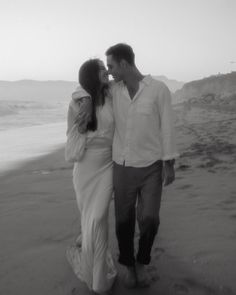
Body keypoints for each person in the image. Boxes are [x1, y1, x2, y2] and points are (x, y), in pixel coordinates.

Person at [105, 43, 179, 288]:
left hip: (151, 166)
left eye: (111, 66)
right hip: (122, 166)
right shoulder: (113, 91)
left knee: (150, 218)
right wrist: (83, 103)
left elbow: (167, 127)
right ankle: (127, 263)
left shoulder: (158, 90)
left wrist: (169, 163)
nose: (109, 72)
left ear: (125, 63)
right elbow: (85, 89)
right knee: (123, 220)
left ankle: (141, 262)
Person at [65, 58, 117, 294]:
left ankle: (98, 282)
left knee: (97, 218)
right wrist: (86, 98)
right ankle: (95, 272)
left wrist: (88, 96)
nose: (106, 72)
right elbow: (78, 89)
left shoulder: (112, 94)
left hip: (107, 164)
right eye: (101, 70)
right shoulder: (78, 100)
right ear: (90, 75)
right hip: (85, 166)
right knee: (90, 218)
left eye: (107, 69)